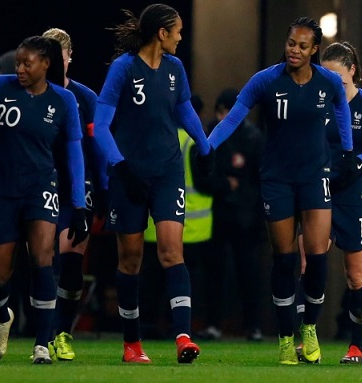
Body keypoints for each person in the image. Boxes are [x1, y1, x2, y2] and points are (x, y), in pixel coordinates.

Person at [208, 16, 356, 365]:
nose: (295, 50)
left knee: (318, 256)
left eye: (303, 46)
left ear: (314, 49)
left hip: (314, 176)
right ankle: (286, 335)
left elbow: (342, 111)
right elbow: (232, 118)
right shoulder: (266, 81)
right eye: (292, 43)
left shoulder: (329, 83)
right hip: (276, 180)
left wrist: (347, 153)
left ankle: (309, 328)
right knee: (284, 258)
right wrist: (207, 145)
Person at [91, 3, 212, 364]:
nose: (180, 37)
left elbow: (184, 110)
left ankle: (183, 338)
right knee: (130, 260)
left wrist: (205, 147)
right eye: (177, 31)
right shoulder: (123, 68)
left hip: (167, 172)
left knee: (172, 251)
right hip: (130, 175)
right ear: (162, 33)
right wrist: (121, 167)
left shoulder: (175, 69)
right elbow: (100, 123)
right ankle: (132, 344)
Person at [0, 36, 89, 364]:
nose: (19, 69)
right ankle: (3, 318)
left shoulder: (63, 101)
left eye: (26, 63)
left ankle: (41, 344)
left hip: (41, 188)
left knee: (42, 260)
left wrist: (78, 205)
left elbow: (74, 152)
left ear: (45, 65)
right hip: (3, 189)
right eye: (17, 63)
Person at [319, 41, 362, 364]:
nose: (333, 85)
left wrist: (360, 162)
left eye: (339, 78)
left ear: (352, 71)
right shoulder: (319, 102)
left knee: (356, 276)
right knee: (308, 263)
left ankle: (356, 347)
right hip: (320, 190)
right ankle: (305, 340)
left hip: (356, 195)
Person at [41, 27, 103, 361]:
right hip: (41, 184)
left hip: (79, 187)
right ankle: (43, 333)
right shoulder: (31, 94)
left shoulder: (85, 98)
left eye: (58, 57)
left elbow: (95, 146)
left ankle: (61, 334)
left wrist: (103, 187)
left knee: (71, 259)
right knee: (43, 260)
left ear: (69, 57)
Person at [199, 89, 265, 342]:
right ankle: (214, 324)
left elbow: (260, 180)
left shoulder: (253, 138)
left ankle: (253, 326)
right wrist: (225, 185)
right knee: (214, 273)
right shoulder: (210, 136)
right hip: (216, 214)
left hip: (245, 217)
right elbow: (202, 174)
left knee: (248, 273)